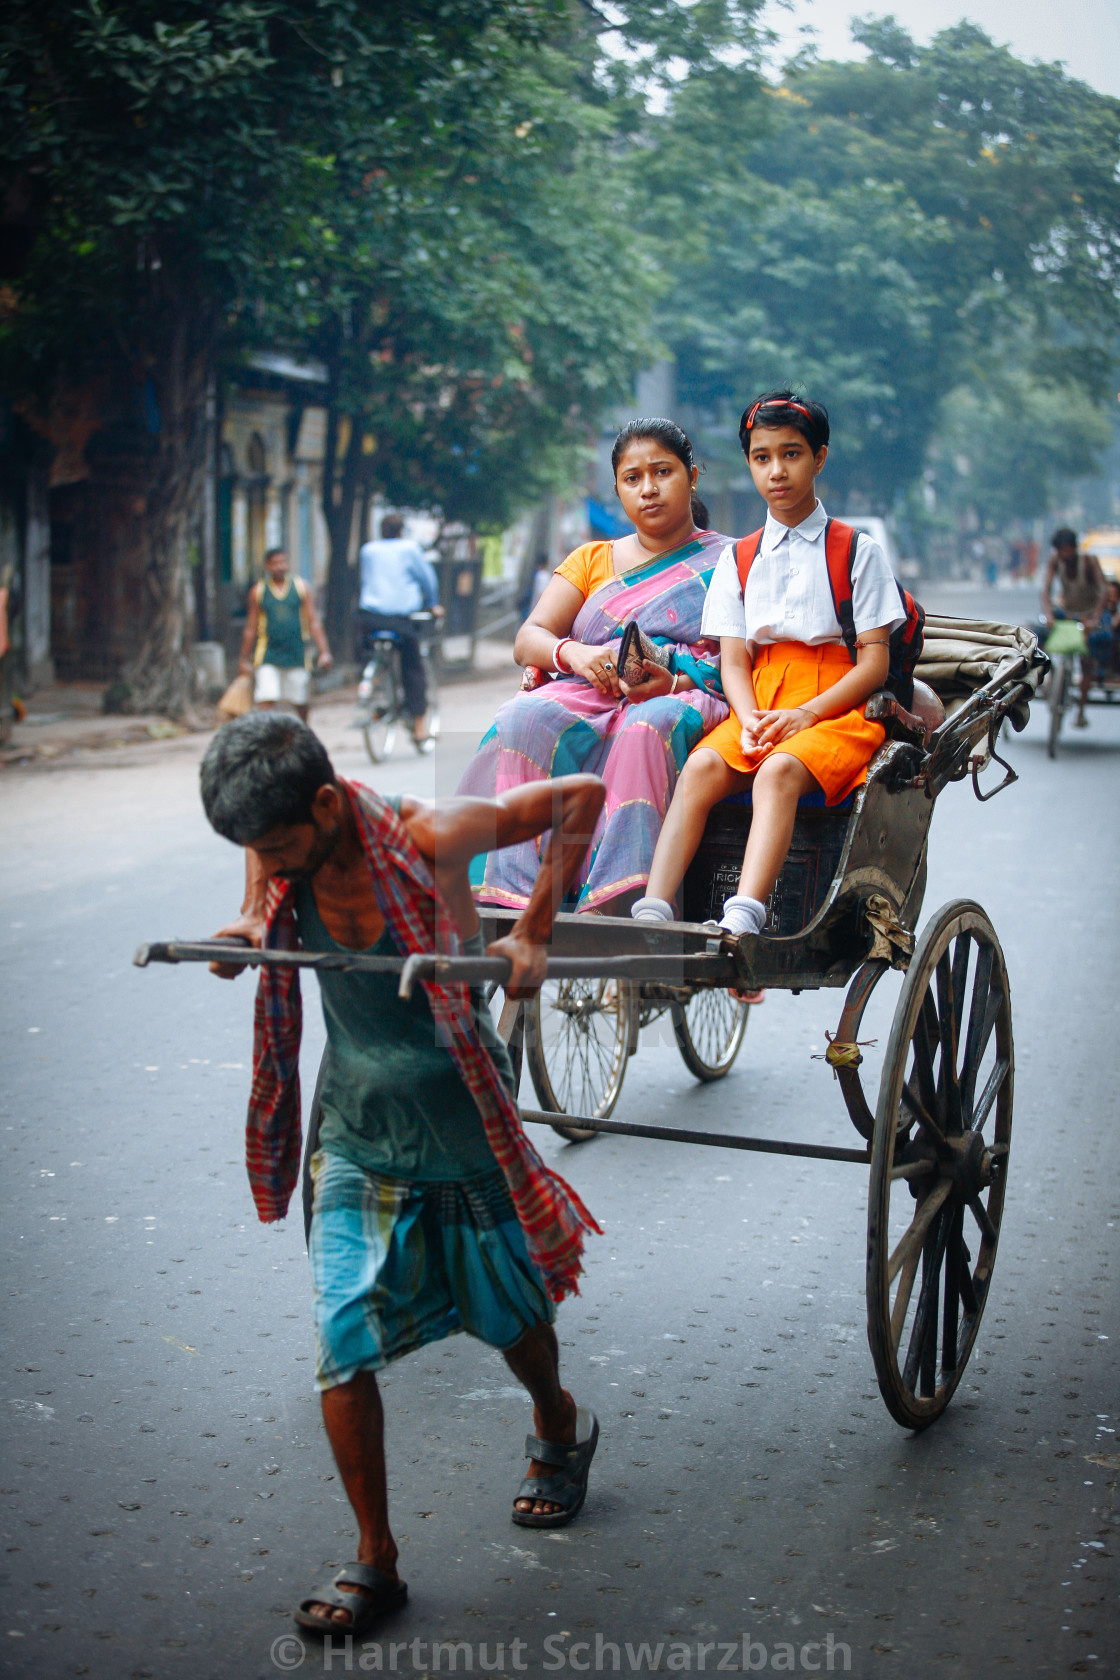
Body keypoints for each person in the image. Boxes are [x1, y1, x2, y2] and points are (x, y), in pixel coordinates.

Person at [200, 712, 605, 1635]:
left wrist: (533, 931)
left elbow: (580, 799)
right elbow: (263, 895)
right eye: (256, 853)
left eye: (279, 847)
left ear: (331, 802)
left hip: (460, 1106)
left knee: (511, 1318)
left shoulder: (432, 833)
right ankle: (376, 1557)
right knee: (340, 1331)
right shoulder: (279, 849)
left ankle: (557, 1420)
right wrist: (246, 928)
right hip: (355, 1123)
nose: (271, 865)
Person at [631, 390, 903, 938]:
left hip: (837, 702)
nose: (776, 471)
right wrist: (749, 715)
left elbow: (874, 662)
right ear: (749, 463)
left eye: (791, 454)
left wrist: (807, 716)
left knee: (778, 771)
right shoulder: (739, 556)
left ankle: (745, 913)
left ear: (819, 458)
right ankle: (654, 910)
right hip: (759, 697)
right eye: (761, 457)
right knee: (703, 767)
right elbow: (734, 659)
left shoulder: (857, 551)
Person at [457, 419, 729, 914]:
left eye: (663, 471)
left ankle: (618, 896)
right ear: (617, 490)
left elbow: (738, 660)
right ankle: (511, 894)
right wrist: (575, 655)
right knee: (522, 717)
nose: (648, 489)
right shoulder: (591, 558)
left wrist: (673, 676)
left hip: (679, 692)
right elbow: (530, 637)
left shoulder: (732, 562)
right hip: (590, 687)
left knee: (647, 726)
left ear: (692, 476)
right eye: (632, 478)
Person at [357, 514, 442, 748]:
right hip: (400, 620)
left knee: (368, 652)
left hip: (370, 618)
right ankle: (418, 726)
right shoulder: (410, 549)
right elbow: (427, 579)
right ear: (401, 531)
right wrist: (433, 603)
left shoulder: (368, 550)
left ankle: (370, 682)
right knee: (412, 668)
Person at [238, 548, 332, 724]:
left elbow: (313, 621)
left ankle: (305, 731)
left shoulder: (301, 588)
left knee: (300, 700)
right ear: (267, 566)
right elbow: (251, 627)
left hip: (296, 653)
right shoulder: (258, 591)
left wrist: (324, 651)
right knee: (266, 698)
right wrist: (243, 659)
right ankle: (266, 738)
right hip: (268, 653)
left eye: (283, 562)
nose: (280, 567)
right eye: (275, 563)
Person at [1039, 528, 1106, 727]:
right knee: (1037, 636)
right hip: (1065, 611)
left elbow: (1102, 589)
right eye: (1062, 550)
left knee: (1087, 660)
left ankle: (1081, 710)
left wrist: (1096, 617)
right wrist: (1049, 614)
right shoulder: (1054, 561)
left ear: (1075, 548)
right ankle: (1045, 675)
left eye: (1069, 550)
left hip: (1088, 614)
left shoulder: (1089, 561)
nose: (1066, 554)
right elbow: (1046, 590)